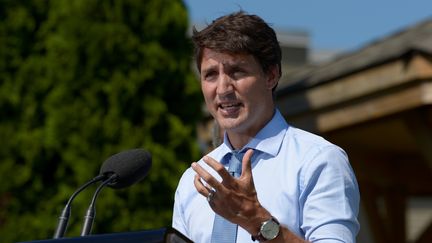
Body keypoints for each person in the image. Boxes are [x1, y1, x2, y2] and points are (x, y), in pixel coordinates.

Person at [172, 11, 360, 243]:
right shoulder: (193, 180)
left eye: (237, 71)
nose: (222, 89)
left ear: (271, 75)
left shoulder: (318, 160)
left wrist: (255, 219)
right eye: (210, 75)